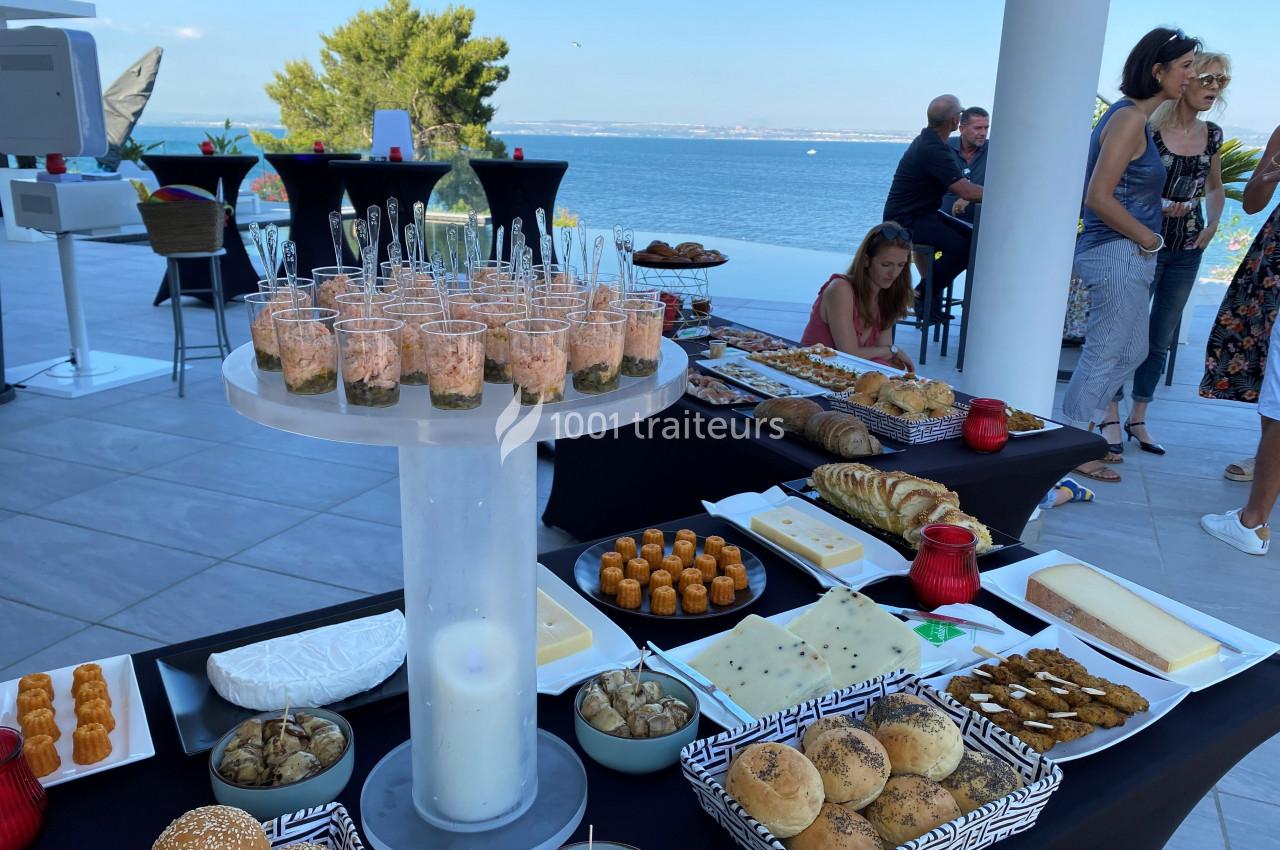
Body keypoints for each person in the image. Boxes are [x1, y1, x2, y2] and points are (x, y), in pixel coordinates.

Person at [1064, 26, 1200, 484]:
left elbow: (1121, 190)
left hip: (1125, 250)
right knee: (1104, 352)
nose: (1191, 76)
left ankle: (1080, 434)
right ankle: (1072, 446)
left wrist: (1154, 217)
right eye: (1185, 67)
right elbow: (1098, 196)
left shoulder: (1132, 119)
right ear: (1157, 70)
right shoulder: (1126, 120)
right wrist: (1150, 239)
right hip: (1118, 252)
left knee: (1133, 349)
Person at [1112, 52, 1230, 456]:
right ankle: (1109, 414)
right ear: (1186, 80)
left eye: (1222, 81)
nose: (1214, 88)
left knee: (1161, 337)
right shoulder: (1146, 129)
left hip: (1187, 246)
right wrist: (1156, 204)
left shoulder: (1212, 135)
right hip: (1142, 242)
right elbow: (1121, 185)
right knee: (1124, 333)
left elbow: (1214, 187)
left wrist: (1213, 224)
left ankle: (1138, 417)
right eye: (1208, 78)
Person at [1200, 125, 1280, 554]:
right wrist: (1270, 174)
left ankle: (1253, 524)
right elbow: (1252, 202)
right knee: (1272, 385)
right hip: (1273, 268)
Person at [882, 95, 983, 320]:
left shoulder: (931, 142)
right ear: (955, 121)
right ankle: (923, 295)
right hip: (905, 220)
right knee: (965, 248)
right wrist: (1005, 195)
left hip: (922, 214)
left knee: (972, 238)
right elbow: (966, 191)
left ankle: (929, 298)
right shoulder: (932, 148)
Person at [801, 221, 917, 370]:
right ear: (867, 260)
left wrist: (891, 358)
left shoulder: (885, 298)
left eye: (900, 265)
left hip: (843, 377)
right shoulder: (841, 289)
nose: (893, 273)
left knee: (888, 372)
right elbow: (848, 353)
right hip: (808, 372)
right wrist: (894, 351)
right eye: (886, 265)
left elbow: (882, 355)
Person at [941, 106, 990, 222]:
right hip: (943, 223)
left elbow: (1007, 188)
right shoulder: (943, 148)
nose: (983, 133)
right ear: (962, 129)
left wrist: (971, 197)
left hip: (982, 226)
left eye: (986, 128)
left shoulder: (995, 151)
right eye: (978, 128)